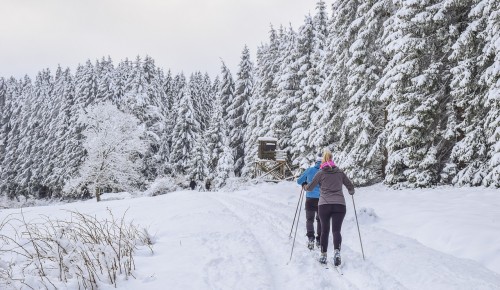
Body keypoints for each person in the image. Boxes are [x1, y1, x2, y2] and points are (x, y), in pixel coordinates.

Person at [303, 149, 354, 266]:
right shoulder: (340, 173)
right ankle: (336, 252)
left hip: (324, 205)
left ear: (323, 161)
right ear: (332, 160)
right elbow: (350, 186)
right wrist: (351, 191)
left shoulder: (320, 173)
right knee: (336, 230)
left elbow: (310, 188)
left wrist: (305, 186)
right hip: (340, 205)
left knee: (325, 230)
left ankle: (323, 255)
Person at [296, 153, 322, 250]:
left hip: (310, 198)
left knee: (309, 220)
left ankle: (311, 238)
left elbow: (299, 181)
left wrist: (304, 183)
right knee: (320, 220)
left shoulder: (310, 170)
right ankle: (319, 240)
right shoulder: (326, 171)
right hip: (322, 199)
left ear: (316, 162)